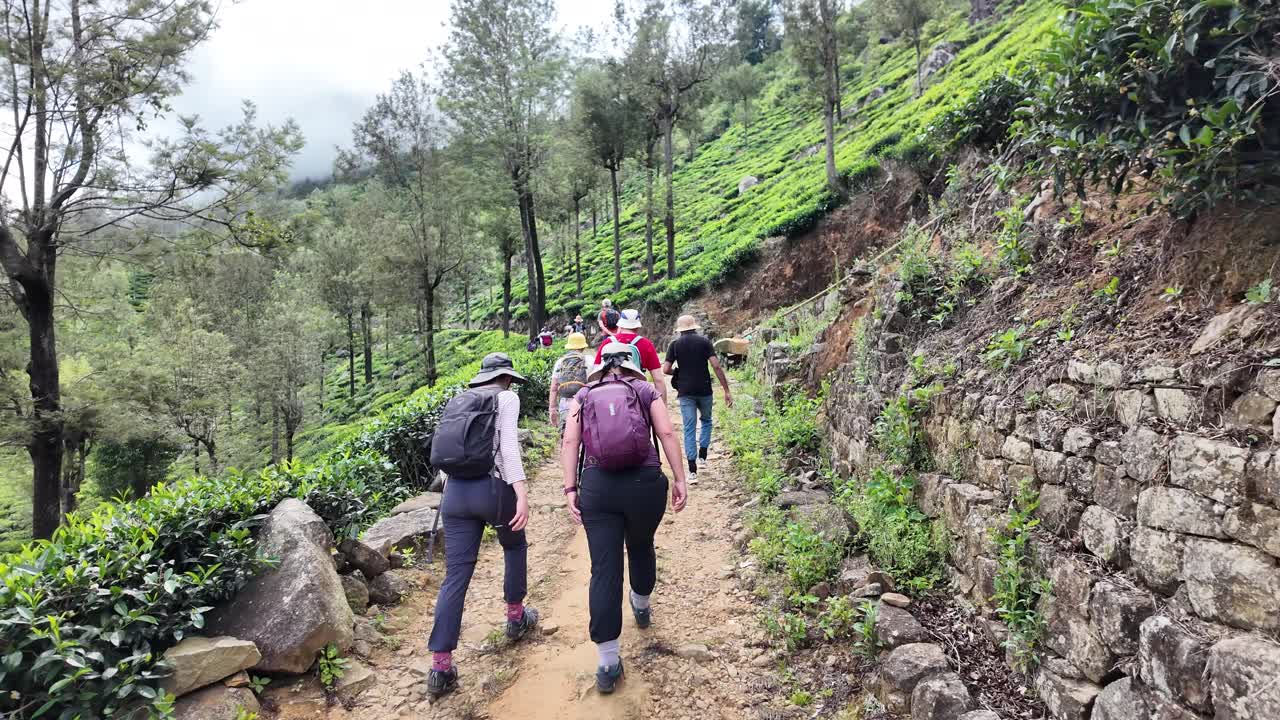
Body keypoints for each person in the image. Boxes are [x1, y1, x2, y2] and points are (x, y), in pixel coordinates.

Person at [560, 343, 689, 694]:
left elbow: (570, 442)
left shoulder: (584, 396)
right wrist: (679, 478)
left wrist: (570, 488)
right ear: (631, 366)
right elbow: (665, 433)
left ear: (600, 367)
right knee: (642, 545)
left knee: (604, 568)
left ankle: (606, 662)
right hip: (644, 484)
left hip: (598, 489)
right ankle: (642, 605)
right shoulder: (645, 390)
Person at [424, 353, 538, 698]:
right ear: (507, 378)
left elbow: (449, 454)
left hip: (455, 494)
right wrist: (521, 492)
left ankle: (440, 667)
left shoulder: (460, 399)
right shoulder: (507, 397)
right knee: (514, 545)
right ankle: (516, 617)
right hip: (493, 489)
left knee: (456, 574)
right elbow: (508, 449)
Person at [662, 315, 733, 485]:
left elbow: (666, 369)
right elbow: (716, 365)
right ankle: (702, 456)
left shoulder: (675, 345)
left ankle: (692, 471)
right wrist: (726, 390)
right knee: (707, 421)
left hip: (685, 392)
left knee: (689, 428)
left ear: (680, 330)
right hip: (704, 390)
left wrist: (678, 373)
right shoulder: (704, 342)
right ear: (694, 327)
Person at [593, 309, 668, 402]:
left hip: (611, 395)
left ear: (620, 324)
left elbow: (595, 373)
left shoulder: (607, 342)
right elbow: (658, 380)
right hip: (638, 395)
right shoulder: (646, 344)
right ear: (637, 326)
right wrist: (663, 406)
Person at [549, 332, 591, 434]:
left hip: (565, 405)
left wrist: (552, 409)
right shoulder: (589, 360)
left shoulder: (560, 362)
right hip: (584, 403)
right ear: (583, 347)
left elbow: (554, 388)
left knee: (567, 437)